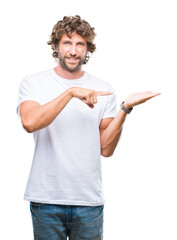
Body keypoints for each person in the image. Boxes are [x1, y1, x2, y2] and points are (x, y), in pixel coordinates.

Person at [17, 15, 160, 240]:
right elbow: (30, 122)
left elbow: (106, 149)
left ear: (87, 49)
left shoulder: (103, 89)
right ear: (56, 46)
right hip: (46, 200)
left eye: (80, 44)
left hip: (88, 202)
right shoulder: (34, 83)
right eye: (67, 43)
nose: (73, 51)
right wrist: (71, 92)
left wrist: (124, 109)